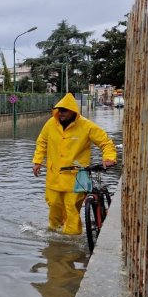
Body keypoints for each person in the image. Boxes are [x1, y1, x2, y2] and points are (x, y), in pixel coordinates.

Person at [32, 93, 117, 235]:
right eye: (58, 110)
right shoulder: (50, 124)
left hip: (76, 177)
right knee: (54, 206)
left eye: (64, 110)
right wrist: (37, 161)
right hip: (54, 176)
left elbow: (105, 142)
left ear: (72, 111)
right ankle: (54, 235)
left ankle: (71, 242)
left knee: (71, 208)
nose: (60, 114)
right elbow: (42, 142)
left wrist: (109, 157)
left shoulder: (86, 126)